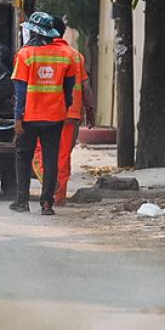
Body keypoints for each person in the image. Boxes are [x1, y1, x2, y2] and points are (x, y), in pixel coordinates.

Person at [9, 11, 76, 216]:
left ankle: (22, 200)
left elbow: (20, 90)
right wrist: (64, 105)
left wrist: (18, 117)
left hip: (30, 116)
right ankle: (47, 203)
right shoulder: (66, 55)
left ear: (34, 33)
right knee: (50, 158)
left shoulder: (25, 55)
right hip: (54, 117)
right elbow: (69, 88)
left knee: (23, 155)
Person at [32, 16, 95, 205]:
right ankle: (59, 196)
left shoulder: (35, 53)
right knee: (63, 155)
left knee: (40, 152)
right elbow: (85, 87)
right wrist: (89, 110)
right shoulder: (76, 55)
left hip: (44, 113)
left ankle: (49, 187)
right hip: (72, 114)